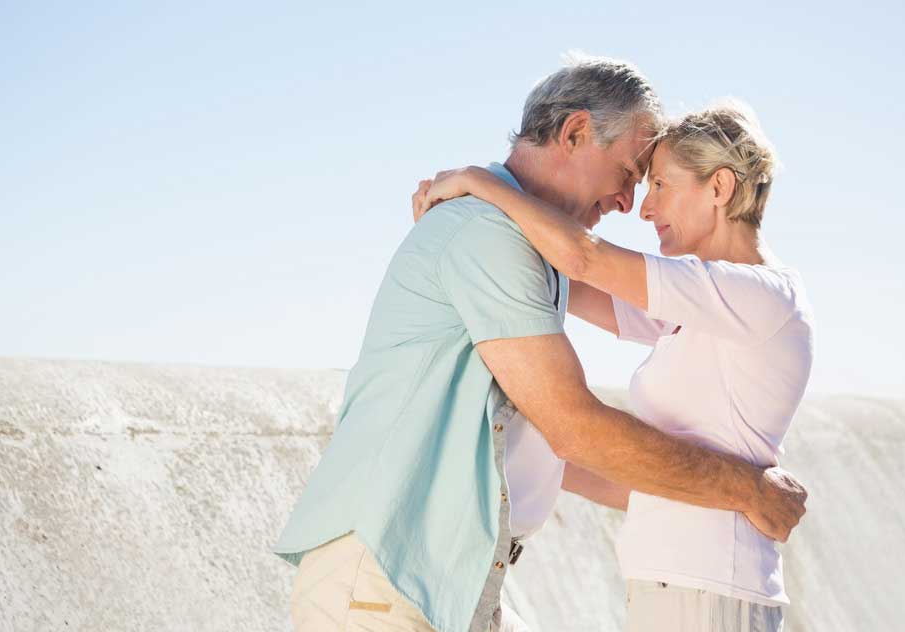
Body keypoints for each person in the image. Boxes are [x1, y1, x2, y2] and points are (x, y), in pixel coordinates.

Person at [275, 54, 807, 632]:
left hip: (440, 583)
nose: (632, 204)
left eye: (654, 183)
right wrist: (744, 488)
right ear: (576, 132)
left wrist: (480, 186)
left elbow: (565, 432)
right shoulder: (488, 234)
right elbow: (573, 421)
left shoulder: (733, 293)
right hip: (388, 581)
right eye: (632, 173)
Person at [412, 99, 813, 631]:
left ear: (719, 188)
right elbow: (561, 276)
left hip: (713, 589)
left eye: (662, 186)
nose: (645, 209)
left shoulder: (760, 296)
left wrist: (481, 186)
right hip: (673, 585)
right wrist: (467, 233)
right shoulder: (695, 312)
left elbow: (583, 257)